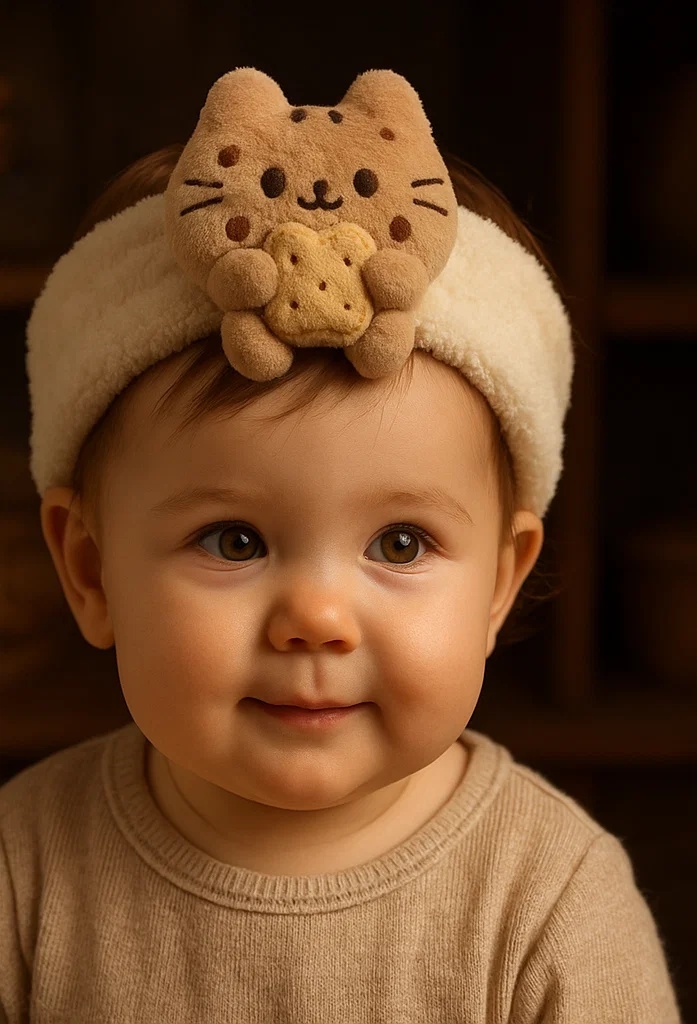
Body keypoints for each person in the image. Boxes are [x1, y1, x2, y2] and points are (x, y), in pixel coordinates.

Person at [0, 68, 681, 1022]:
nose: (315, 619)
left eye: (399, 543)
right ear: (89, 570)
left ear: (499, 581)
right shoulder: (24, 871)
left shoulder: (551, 902)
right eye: (233, 540)